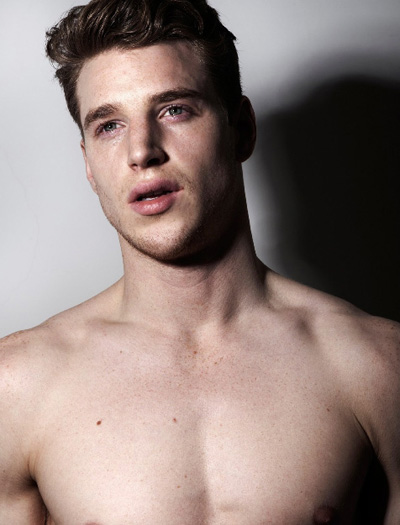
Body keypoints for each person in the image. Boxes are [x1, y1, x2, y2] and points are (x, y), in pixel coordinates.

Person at [0, 0, 399, 522]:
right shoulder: (18, 386)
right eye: (109, 125)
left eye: (174, 110)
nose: (142, 151)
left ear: (242, 129)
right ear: (89, 166)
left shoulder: (377, 367)